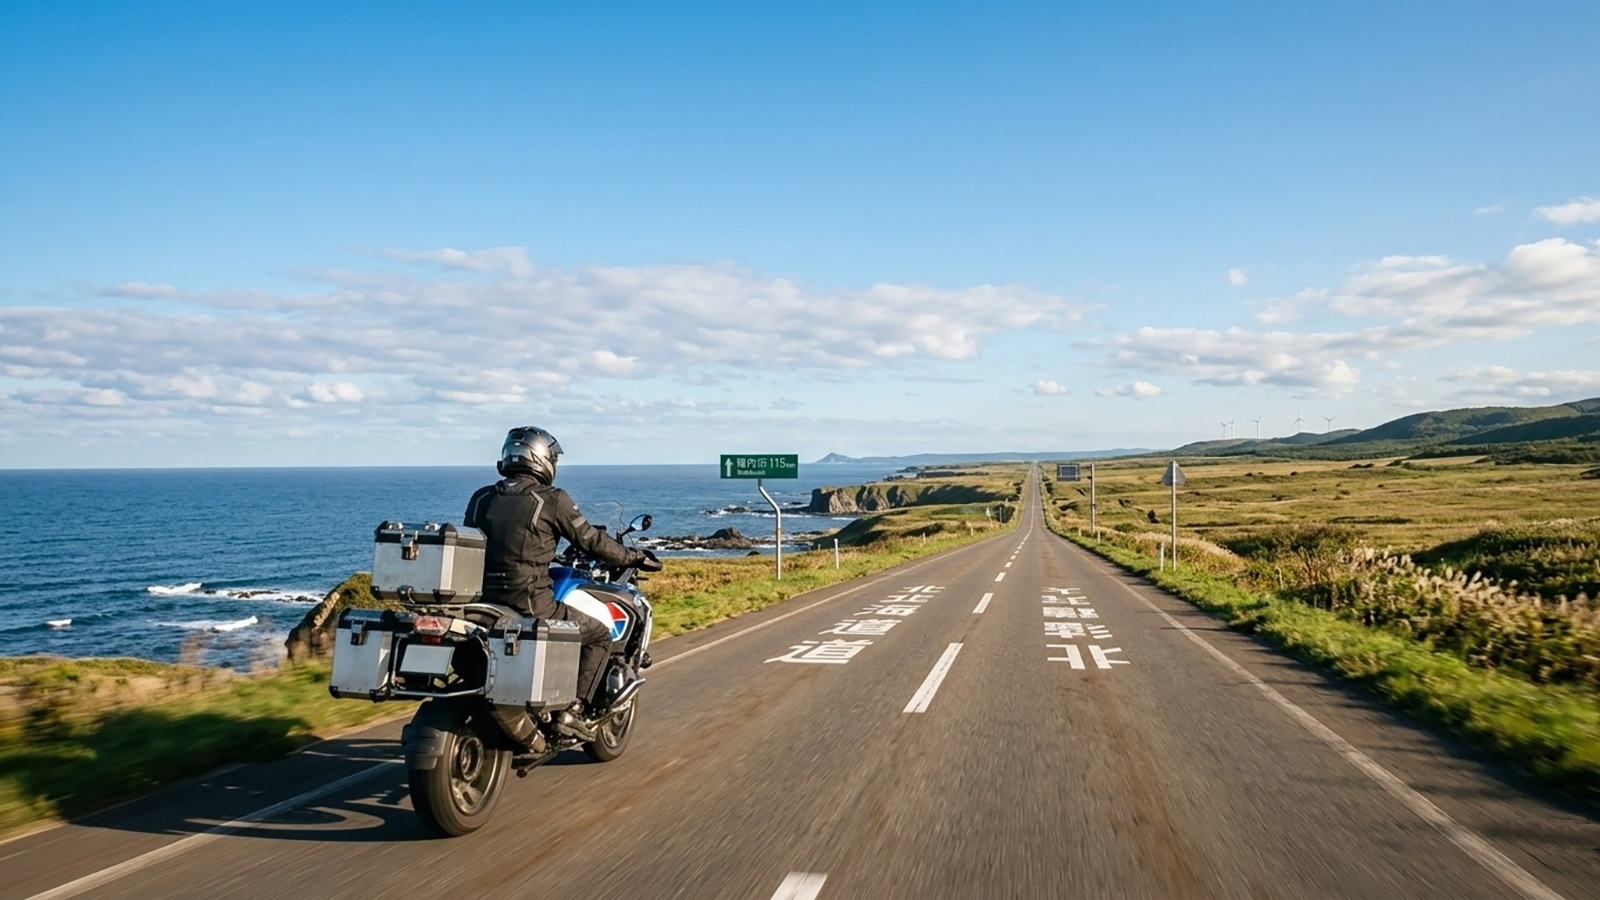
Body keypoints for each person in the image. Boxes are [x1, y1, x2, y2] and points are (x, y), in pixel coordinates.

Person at [464, 426, 660, 741]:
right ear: (542, 459)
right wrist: (633, 557)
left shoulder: (481, 498)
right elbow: (592, 540)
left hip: (480, 604)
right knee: (598, 634)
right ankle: (573, 712)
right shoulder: (552, 499)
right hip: (531, 604)